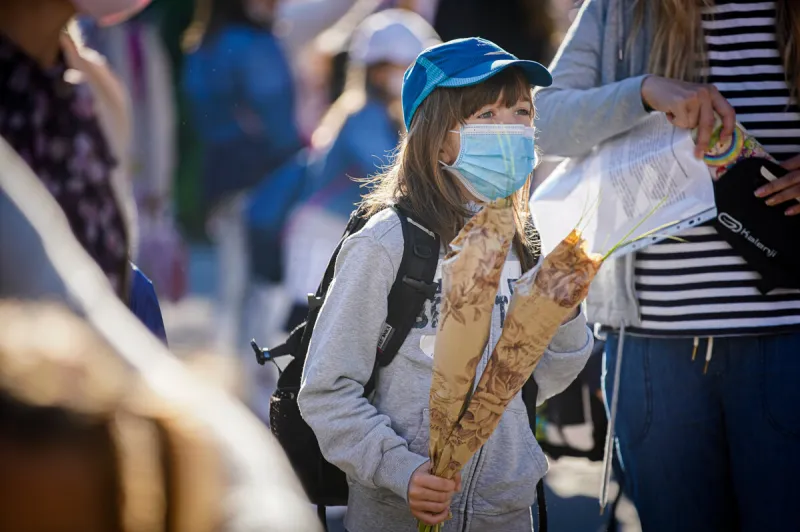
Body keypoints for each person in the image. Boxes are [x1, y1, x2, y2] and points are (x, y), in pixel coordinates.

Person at [298, 37, 594, 532]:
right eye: (486, 116)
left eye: (521, 112)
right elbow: (327, 391)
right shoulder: (388, 243)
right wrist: (402, 471)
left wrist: (562, 312)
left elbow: (542, 381)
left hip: (506, 516)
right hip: (395, 514)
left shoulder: (527, 245)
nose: (511, 131)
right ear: (438, 137)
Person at [535, 1, 800, 530]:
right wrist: (643, 91)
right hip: (654, 352)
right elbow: (541, 122)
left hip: (788, 339)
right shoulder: (621, 9)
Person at [282, 8, 439, 331]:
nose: (406, 77)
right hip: (321, 234)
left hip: (337, 233)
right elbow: (392, 171)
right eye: (398, 67)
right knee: (305, 327)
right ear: (374, 71)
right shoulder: (363, 116)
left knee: (326, 326)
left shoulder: (383, 115)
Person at [183, 0, 302, 354]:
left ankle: (229, 373)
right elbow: (278, 115)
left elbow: (200, 110)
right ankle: (249, 377)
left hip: (220, 172)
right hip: (263, 173)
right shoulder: (255, 45)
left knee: (231, 283)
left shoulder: (205, 43)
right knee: (258, 287)